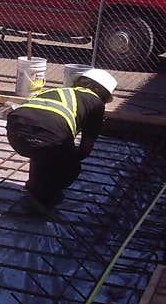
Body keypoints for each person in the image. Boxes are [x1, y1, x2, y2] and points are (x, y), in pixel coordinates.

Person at [6, 68, 117, 216]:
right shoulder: (96, 104)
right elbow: (86, 146)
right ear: (99, 91)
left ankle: (34, 189)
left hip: (15, 133)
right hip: (50, 135)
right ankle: (41, 199)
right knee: (68, 167)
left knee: (43, 152)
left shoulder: (55, 91)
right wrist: (70, 160)